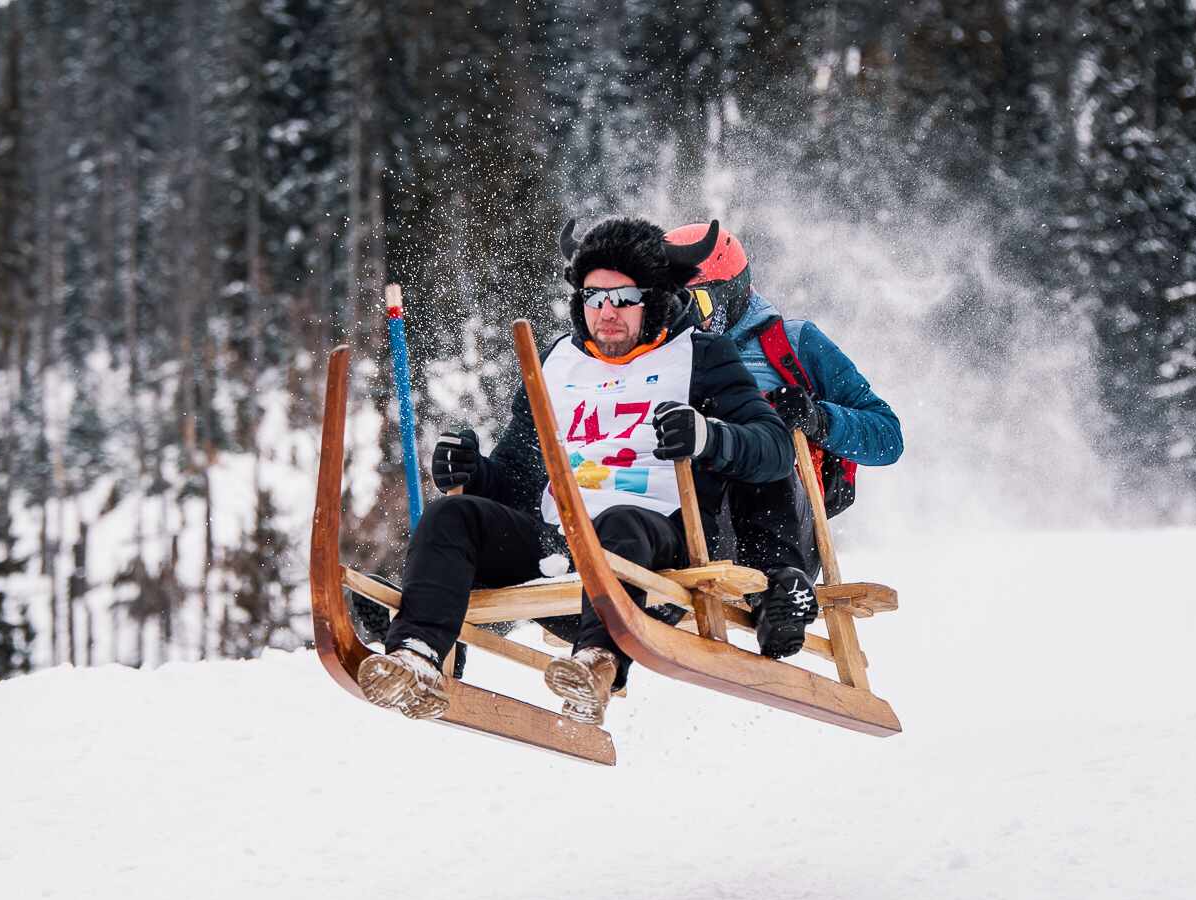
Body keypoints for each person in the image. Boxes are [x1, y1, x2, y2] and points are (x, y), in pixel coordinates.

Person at [356, 218, 793, 726]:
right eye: (593, 298)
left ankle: (597, 664)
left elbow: (774, 449)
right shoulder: (558, 363)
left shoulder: (703, 356)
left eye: (624, 298)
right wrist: (474, 473)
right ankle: (415, 656)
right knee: (452, 515)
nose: (606, 313)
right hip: (558, 549)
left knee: (616, 524)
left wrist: (710, 436)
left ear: (655, 299)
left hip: (658, 557)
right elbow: (518, 478)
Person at [664, 221, 904, 659]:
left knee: (751, 445)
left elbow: (888, 437)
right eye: (671, 301)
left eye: (697, 301)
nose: (688, 316)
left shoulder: (793, 344)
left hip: (782, 527)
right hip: (689, 516)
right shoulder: (666, 354)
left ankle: (782, 594)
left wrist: (819, 420)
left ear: (732, 291)